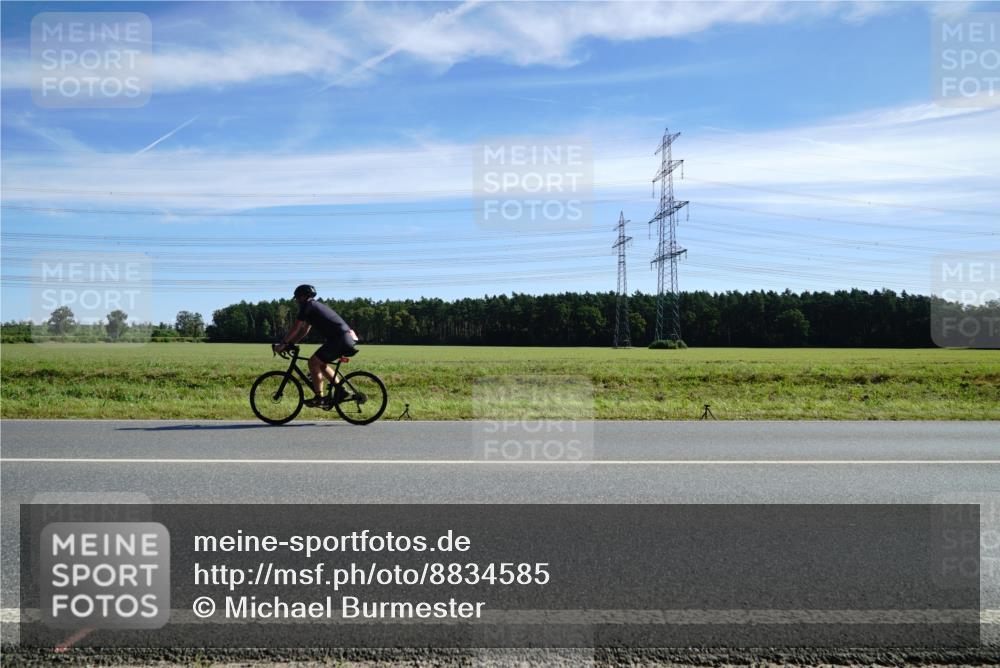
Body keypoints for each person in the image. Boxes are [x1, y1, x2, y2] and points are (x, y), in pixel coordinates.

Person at [274, 284, 359, 408]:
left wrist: (283, 344)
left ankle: (319, 398)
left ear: (303, 296)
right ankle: (341, 391)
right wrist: (291, 344)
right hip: (344, 338)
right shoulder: (313, 307)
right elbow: (304, 331)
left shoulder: (307, 306)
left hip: (340, 339)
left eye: (297, 298)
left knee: (313, 363)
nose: (297, 301)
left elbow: (296, 327)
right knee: (321, 364)